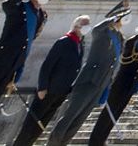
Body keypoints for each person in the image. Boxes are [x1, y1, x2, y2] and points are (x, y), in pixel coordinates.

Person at [48, 2, 129, 146]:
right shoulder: (103, 33)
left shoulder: (119, 37)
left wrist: (105, 89)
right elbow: (96, 29)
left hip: (100, 84)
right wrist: (113, 18)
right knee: (69, 117)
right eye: (123, 16)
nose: (125, 20)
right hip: (88, 81)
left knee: (78, 121)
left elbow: (113, 64)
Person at [11, 15, 87, 146]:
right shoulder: (64, 42)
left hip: (61, 92)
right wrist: (42, 87)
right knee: (30, 126)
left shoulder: (80, 44)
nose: (87, 28)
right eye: (85, 25)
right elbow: (47, 65)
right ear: (76, 27)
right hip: (48, 90)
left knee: (40, 127)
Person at [88, 19, 138, 146]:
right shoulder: (133, 43)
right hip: (121, 83)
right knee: (107, 114)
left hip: (131, 86)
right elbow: (128, 45)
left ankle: (102, 140)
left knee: (116, 114)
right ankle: (95, 141)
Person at [0, 0, 55, 99]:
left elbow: (28, 42)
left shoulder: (42, 15)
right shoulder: (20, 8)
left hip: (15, 62)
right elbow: (7, 4)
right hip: (2, 57)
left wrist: (18, 69)